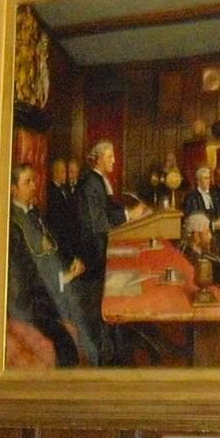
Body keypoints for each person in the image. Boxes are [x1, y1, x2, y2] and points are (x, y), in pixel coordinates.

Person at [8, 162, 94, 365]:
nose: (34, 186)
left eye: (34, 180)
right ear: (13, 189)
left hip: (54, 286)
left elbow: (53, 247)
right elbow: (23, 274)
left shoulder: (34, 213)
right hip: (32, 299)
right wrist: (62, 278)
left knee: (92, 302)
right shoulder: (12, 225)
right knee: (66, 341)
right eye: (27, 182)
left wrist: (70, 263)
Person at [72, 139, 147, 364]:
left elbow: (110, 208)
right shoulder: (90, 183)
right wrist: (129, 215)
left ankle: (116, 345)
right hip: (93, 254)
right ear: (98, 159)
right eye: (110, 156)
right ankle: (105, 355)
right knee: (99, 307)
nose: (114, 160)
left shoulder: (99, 181)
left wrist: (129, 213)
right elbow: (97, 222)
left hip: (100, 248)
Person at [46, 156, 78, 250]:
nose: (65, 175)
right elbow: (56, 217)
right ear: (55, 173)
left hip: (68, 234)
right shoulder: (52, 191)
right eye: (63, 172)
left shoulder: (65, 188)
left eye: (65, 172)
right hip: (60, 235)